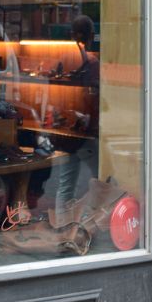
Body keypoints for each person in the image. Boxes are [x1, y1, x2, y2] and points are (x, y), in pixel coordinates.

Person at [53, 16, 99, 207]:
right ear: (90, 36)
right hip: (84, 131)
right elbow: (94, 97)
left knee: (65, 184)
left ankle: (62, 228)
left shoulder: (64, 57)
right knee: (103, 179)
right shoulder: (92, 62)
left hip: (65, 130)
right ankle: (90, 221)